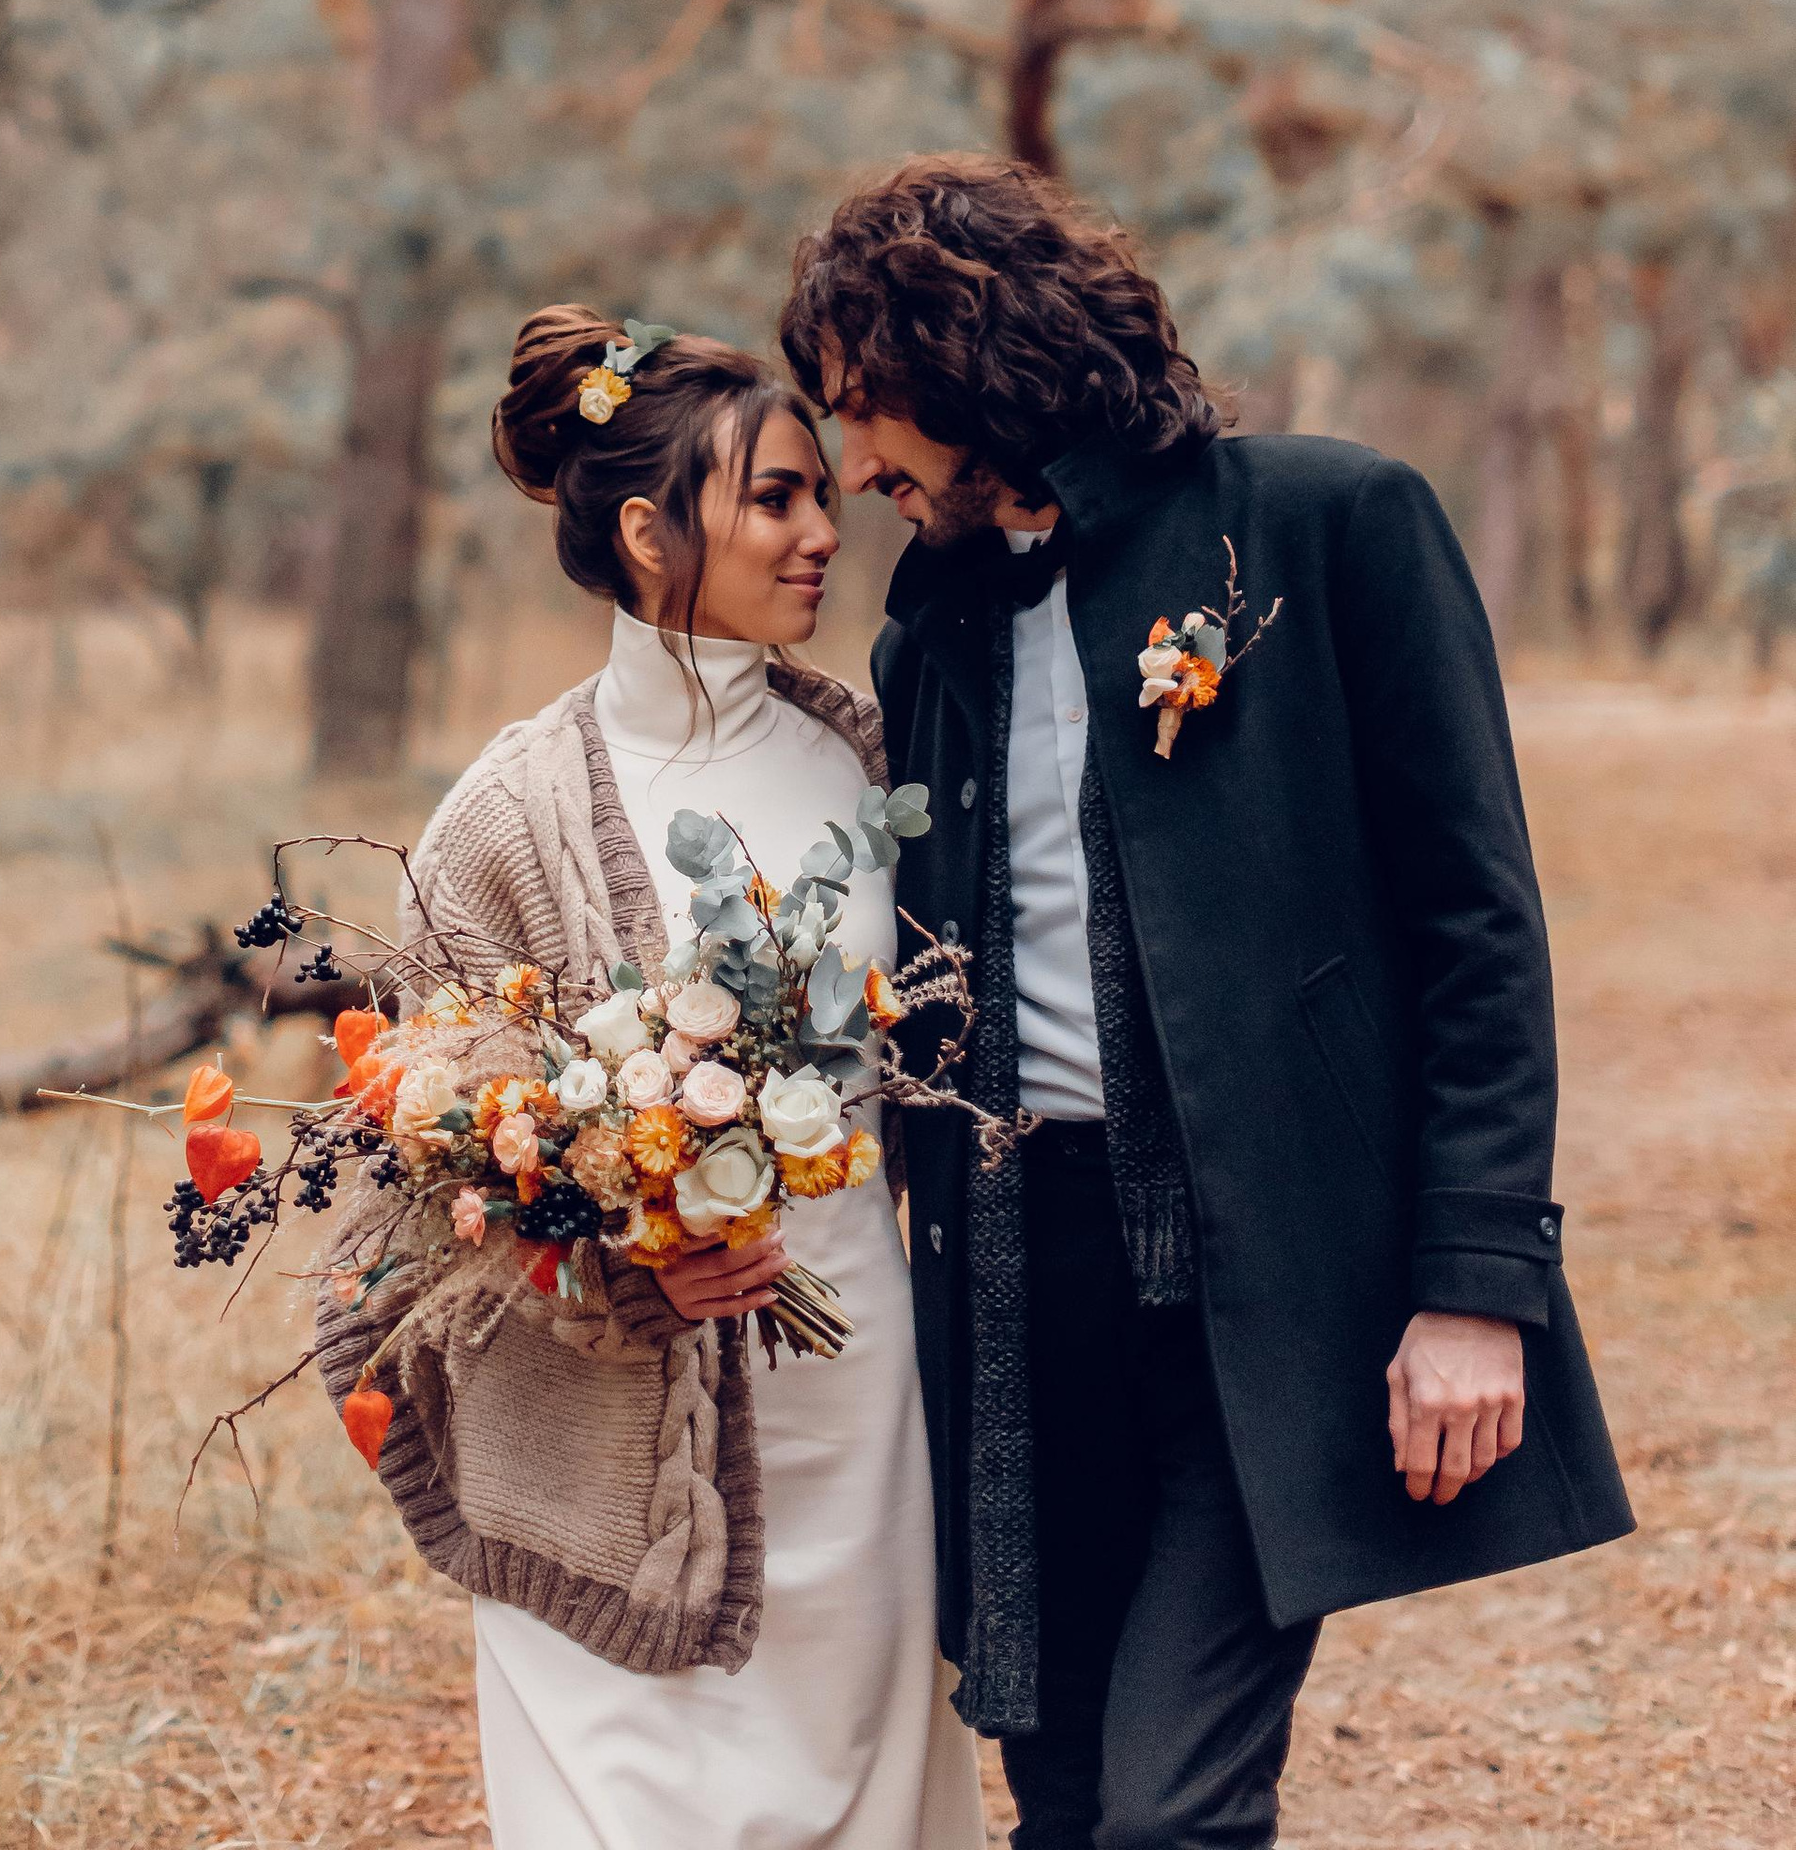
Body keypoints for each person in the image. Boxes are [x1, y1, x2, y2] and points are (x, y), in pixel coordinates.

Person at [779, 151, 1635, 1850]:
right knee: (1072, 1801)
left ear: (967, 364)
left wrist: (1478, 1286)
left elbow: (1479, 929)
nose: (852, 463)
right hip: (1020, 1297)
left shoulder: (1329, 526)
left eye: (864, 411)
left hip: (1272, 1284)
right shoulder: (929, 624)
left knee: (1173, 1814)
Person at [318, 309, 985, 1850]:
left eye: (825, 494)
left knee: (866, 1803)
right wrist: (621, 1270)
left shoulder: (864, 761)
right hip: (613, 1436)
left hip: (851, 1395)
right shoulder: (510, 812)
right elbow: (421, 1183)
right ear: (644, 528)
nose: (824, 532)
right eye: (776, 499)